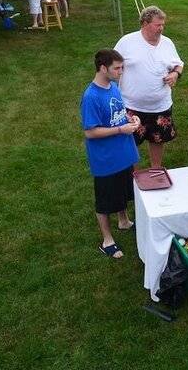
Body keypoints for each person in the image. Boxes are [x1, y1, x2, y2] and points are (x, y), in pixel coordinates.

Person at [80, 49, 141, 259]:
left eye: (122, 67)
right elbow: (90, 131)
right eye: (117, 68)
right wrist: (119, 130)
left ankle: (124, 221)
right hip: (106, 159)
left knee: (123, 192)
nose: (121, 71)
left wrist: (131, 120)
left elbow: (120, 113)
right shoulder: (91, 97)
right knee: (105, 201)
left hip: (124, 153)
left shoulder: (113, 87)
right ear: (103, 68)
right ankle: (107, 240)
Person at [114, 6, 184, 168]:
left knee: (157, 139)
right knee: (129, 142)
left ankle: (156, 168)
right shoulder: (127, 42)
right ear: (144, 23)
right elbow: (112, 64)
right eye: (157, 25)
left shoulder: (167, 43)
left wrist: (175, 75)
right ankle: (130, 174)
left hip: (160, 106)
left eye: (163, 25)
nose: (161, 28)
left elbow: (178, 64)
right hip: (131, 106)